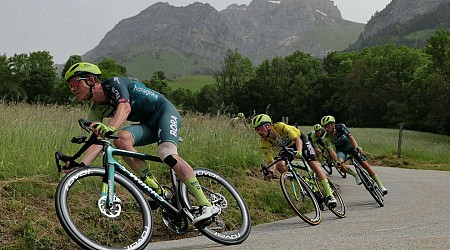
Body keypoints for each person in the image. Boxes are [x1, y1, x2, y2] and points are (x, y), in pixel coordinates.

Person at [64, 62, 219, 226]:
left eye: (74, 83)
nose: (72, 89)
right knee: (120, 139)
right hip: (148, 123)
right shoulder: (95, 110)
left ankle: (206, 205)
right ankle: (157, 190)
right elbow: (98, 141)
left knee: (167, 153)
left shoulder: (114, 84)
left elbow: (125, 107)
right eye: (69, 85)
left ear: (90, 79)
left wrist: (109, 127)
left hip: (165, 113)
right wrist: (81, 166)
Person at [251, 114, 337, 207]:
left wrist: (299, 152)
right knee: (280, 165)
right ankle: (302, 181)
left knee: (313, 164)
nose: (258, 132)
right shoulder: (264, 142)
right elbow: (271, 161)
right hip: (288, 147)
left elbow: (297, 140)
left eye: (259, 128)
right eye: (256, 130)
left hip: (301, 140)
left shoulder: (280, 127)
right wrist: (271, 172)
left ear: (268, 126)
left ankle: (330, 195)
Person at [320, 115, 388, 195]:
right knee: (340, 164)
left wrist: (356, 147)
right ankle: (355, 175)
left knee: (365, 165)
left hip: (350, 146)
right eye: (324, 127)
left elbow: (350, 136)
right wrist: (336, 161)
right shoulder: (326, 137)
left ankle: (380, 185)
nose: (326, 129)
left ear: (333, 124)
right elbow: (331, 150)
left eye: (327, 126)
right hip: (341, 150)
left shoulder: (341, 127)